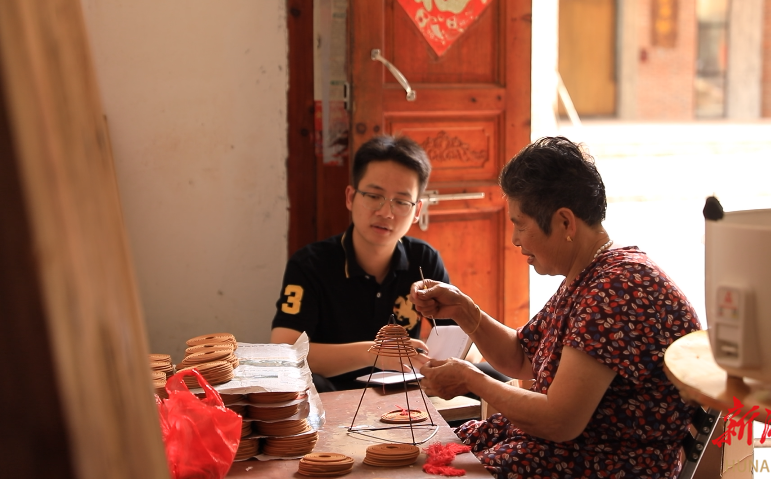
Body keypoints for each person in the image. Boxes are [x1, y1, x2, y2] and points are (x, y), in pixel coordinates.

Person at [411, 136, 701, 479]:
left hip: (606, 462)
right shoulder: (592, 274)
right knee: (414, 453)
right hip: (566, 448)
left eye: (521, 225)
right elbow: (522, 358)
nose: (516, 239)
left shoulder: (619, 288)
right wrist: (464, 310)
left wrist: (471, 378)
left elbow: (560, 420)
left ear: (565, 222)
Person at [270, 135, 444, 392]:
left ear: (417, 211)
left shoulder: (424, 260)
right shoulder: (309, 265)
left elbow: (462, 340)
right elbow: (283, 352)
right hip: (332, 395)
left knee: (487, 374)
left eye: (401, 201)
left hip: (405, 393)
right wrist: (373, 353)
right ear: (350, 197)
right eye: (374, 196)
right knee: (308, 384)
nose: (386, 212)